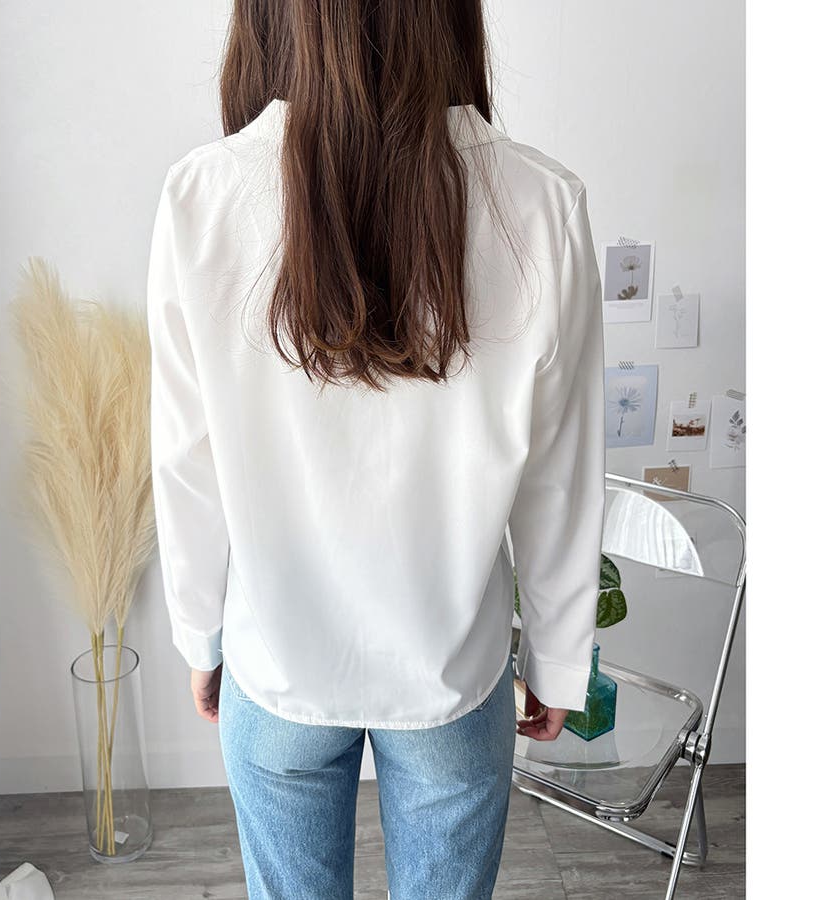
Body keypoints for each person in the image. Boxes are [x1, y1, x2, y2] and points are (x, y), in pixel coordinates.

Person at [146, 1, 605, 897]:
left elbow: (185, 459)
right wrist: (557, 659)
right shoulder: (543, 204)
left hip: (276, 666)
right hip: (450, 676)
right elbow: (560, 473)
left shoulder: (201, 197)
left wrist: (201, 634)